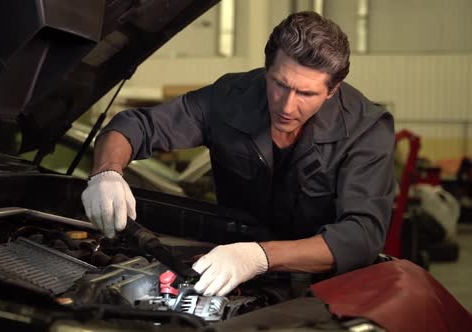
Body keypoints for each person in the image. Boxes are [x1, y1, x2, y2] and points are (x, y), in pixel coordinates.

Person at [81, 11, 395, 297]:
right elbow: (136, 126)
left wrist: (258, 256)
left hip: (323, 290)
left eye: (306, 93)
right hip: (230, 275)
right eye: (280, 84)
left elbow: (361, 234)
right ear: (266, 68)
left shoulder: (366, 130)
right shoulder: (230, 98)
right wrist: (106, 172)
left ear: (333, 89)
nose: (286, 106)